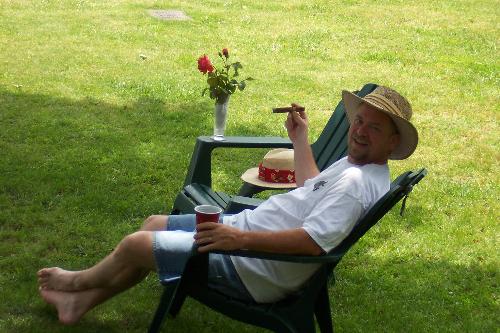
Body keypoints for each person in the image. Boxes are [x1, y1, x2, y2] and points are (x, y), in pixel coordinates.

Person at [37, 85, 418, 324]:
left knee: (137, 245)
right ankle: (79, 304)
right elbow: (310, 188)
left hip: (253, 270)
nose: (360, 130)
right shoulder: (359, 166)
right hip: (246, 239)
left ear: (391, 144)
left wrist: (237, 239)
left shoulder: (355, 184)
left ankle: (74, 282)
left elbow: (313, 243)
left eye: (374, 127)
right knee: (154, 223)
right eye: (360, 120)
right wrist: (301, 139)